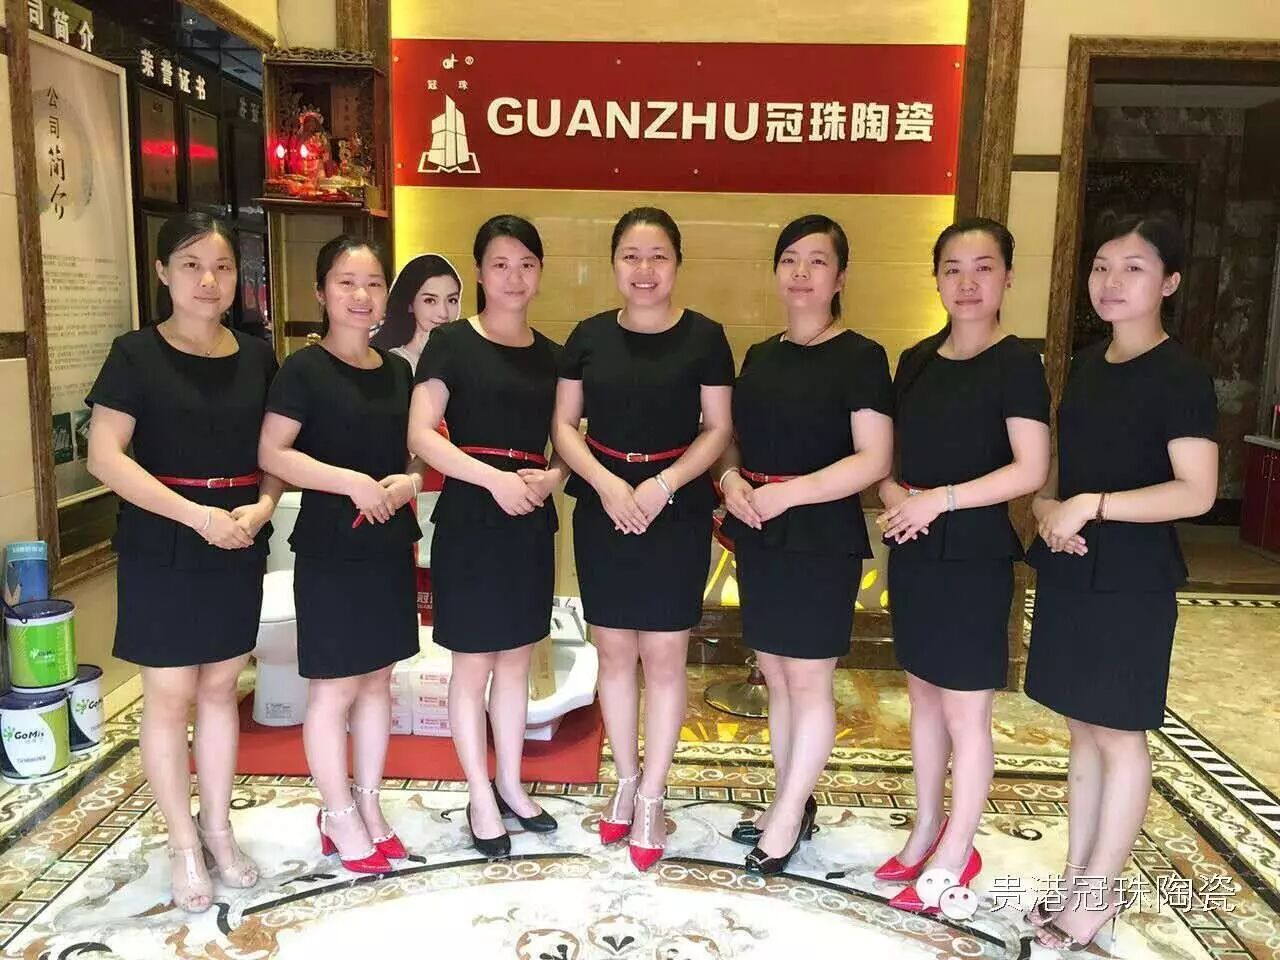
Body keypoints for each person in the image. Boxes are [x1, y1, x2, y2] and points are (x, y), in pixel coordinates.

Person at [1024, 214, 1218, 951]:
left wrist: (1093, 506)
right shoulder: (1084, 363)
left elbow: (1196, 490)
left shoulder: (1181, 375)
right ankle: (1078, 877)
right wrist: (1049, 506)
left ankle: (1100, 894)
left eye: (1133, 267)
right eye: (1102, 265)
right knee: (1082, 727)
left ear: (1169, 282)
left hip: (1133, 576)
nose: (1111, 280)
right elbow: (1061, 467)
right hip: (1073, 563)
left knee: (1119, 732)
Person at [85, 212, 279, 912]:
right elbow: (104, 457)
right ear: (163, 272)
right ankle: (181, 842)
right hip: (163, 538)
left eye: (222, 267)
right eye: (191, 265)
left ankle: (218, 828)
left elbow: (275, 450)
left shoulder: (257, 357)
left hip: (237, 537)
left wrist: (263, 507)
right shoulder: (135, 355)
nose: (208, 280)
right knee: (168, 694)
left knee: (223, 687)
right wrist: (197, 517)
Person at [875, 218, 1051, 914]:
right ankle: (925, 829)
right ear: (937, 278)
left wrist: (939, 500)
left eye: (983, 268)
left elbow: (1029, 470)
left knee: (966, 710)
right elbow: (889, 461)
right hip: (916, 547)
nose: (968, 282)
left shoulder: (1017, 364)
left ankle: (958, 851)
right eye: (953, 268)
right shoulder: (916, 359)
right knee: (921, 695)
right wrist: (898, 498)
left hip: (975, 552)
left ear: (1007, 277)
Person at [552, 207, 734, 870]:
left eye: (658, 255)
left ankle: (654, 793)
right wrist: (606, 485)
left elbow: (718, 428)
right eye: (631, 255)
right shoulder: (588, 336)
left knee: (663, 656)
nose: (644, 269)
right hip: (604, 506)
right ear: (614, 264)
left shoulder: (705, 337)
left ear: (677, 263)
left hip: (675, 509)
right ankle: (625, 781)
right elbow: (564, 426)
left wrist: (663, 486)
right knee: (613, 652)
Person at [715, 215, 894, 875]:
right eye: (790, 259)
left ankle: (788, 815)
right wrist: (731, 478)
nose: (801, 272)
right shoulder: (761, 356)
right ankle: (789, 799)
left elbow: (873, 458)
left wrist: (790, 494)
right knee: (776, 673)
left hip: (820, 533)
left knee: (810, 678)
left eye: (817, 261)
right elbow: (732, 439)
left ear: (840, 277)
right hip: (761, 529)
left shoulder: (862, 356)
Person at [258, 236, 426, 875]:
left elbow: (413, 452)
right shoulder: (302, 370)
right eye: (346, 282)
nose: (361, 295)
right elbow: (273, 453)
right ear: (321, 292)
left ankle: (369, 803)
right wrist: (349, 482)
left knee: (379, 678)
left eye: (374, 283)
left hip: (387, 543)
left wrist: (408, 480)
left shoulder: (398, 372)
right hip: (331, 545)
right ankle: (335, 812)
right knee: (333, 689)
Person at [408, 216, 565, 858]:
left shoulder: (555, 355)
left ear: (540, 272)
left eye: (526, 264)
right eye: (500, 264)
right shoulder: (451, 343)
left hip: (529, 517)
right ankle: (479, 794)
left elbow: (565, 443)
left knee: (517, 662)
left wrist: (552, 477)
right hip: (472, 517)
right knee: (472, 665)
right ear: (479, 272)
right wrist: (492, 479)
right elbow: (421, 435)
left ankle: (511, 783)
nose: (514, 276)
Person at [371, 253, 463, 373]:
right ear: (410, 304)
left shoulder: (465, 356)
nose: (443, 313)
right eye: (430, 300)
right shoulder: (397, 363)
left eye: (452, 300)